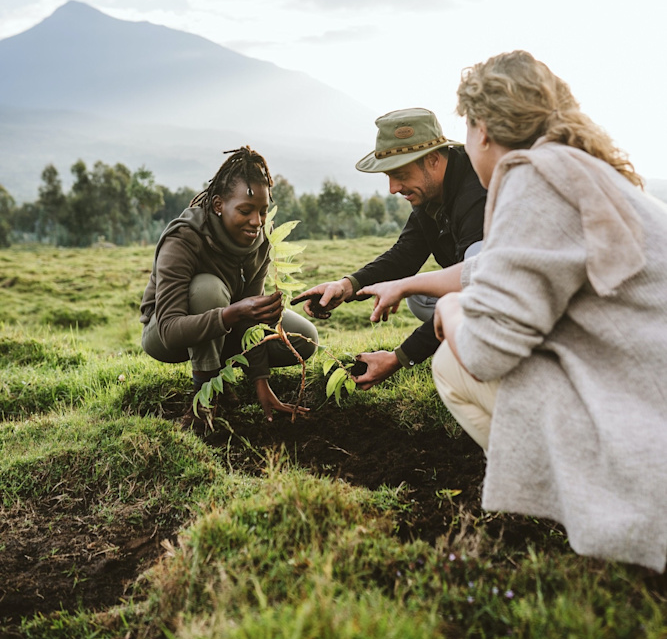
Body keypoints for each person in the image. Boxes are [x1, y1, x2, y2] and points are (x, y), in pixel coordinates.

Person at [390, 50, 666, 571]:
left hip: (651, 442)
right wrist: (410, 286)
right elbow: (500, 266)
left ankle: (606, 512)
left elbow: (490, 351)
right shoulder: (583, 170)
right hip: (648, 394)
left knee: (451, 365)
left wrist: (450, 309)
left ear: (484, 129)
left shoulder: (533, 178)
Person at [295, 108, 486, 389]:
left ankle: (478, 348)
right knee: (418, 298)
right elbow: (405, 255)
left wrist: (400, 357)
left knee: (447, 300)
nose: (393, 188)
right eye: (388, 176)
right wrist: (347, 285)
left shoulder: (477, 195)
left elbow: (478, 289)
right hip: (479, 289)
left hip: (502, 298)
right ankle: (460, 336)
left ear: (433, 159)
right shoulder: (430, 194)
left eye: (400, 174)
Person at [140, 146, 318, 425]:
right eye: (245, 210)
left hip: (227, 324)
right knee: (207, 289)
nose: (256, 222)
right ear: (218, 205)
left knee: (305, 337)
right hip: (166, 334)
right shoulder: (184, 238)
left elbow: (251, 321)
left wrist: (262, 382)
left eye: (262, 211)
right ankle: (205, 394)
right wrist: (235, 313)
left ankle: (225, 377)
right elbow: (169, 330)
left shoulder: (260, 242)